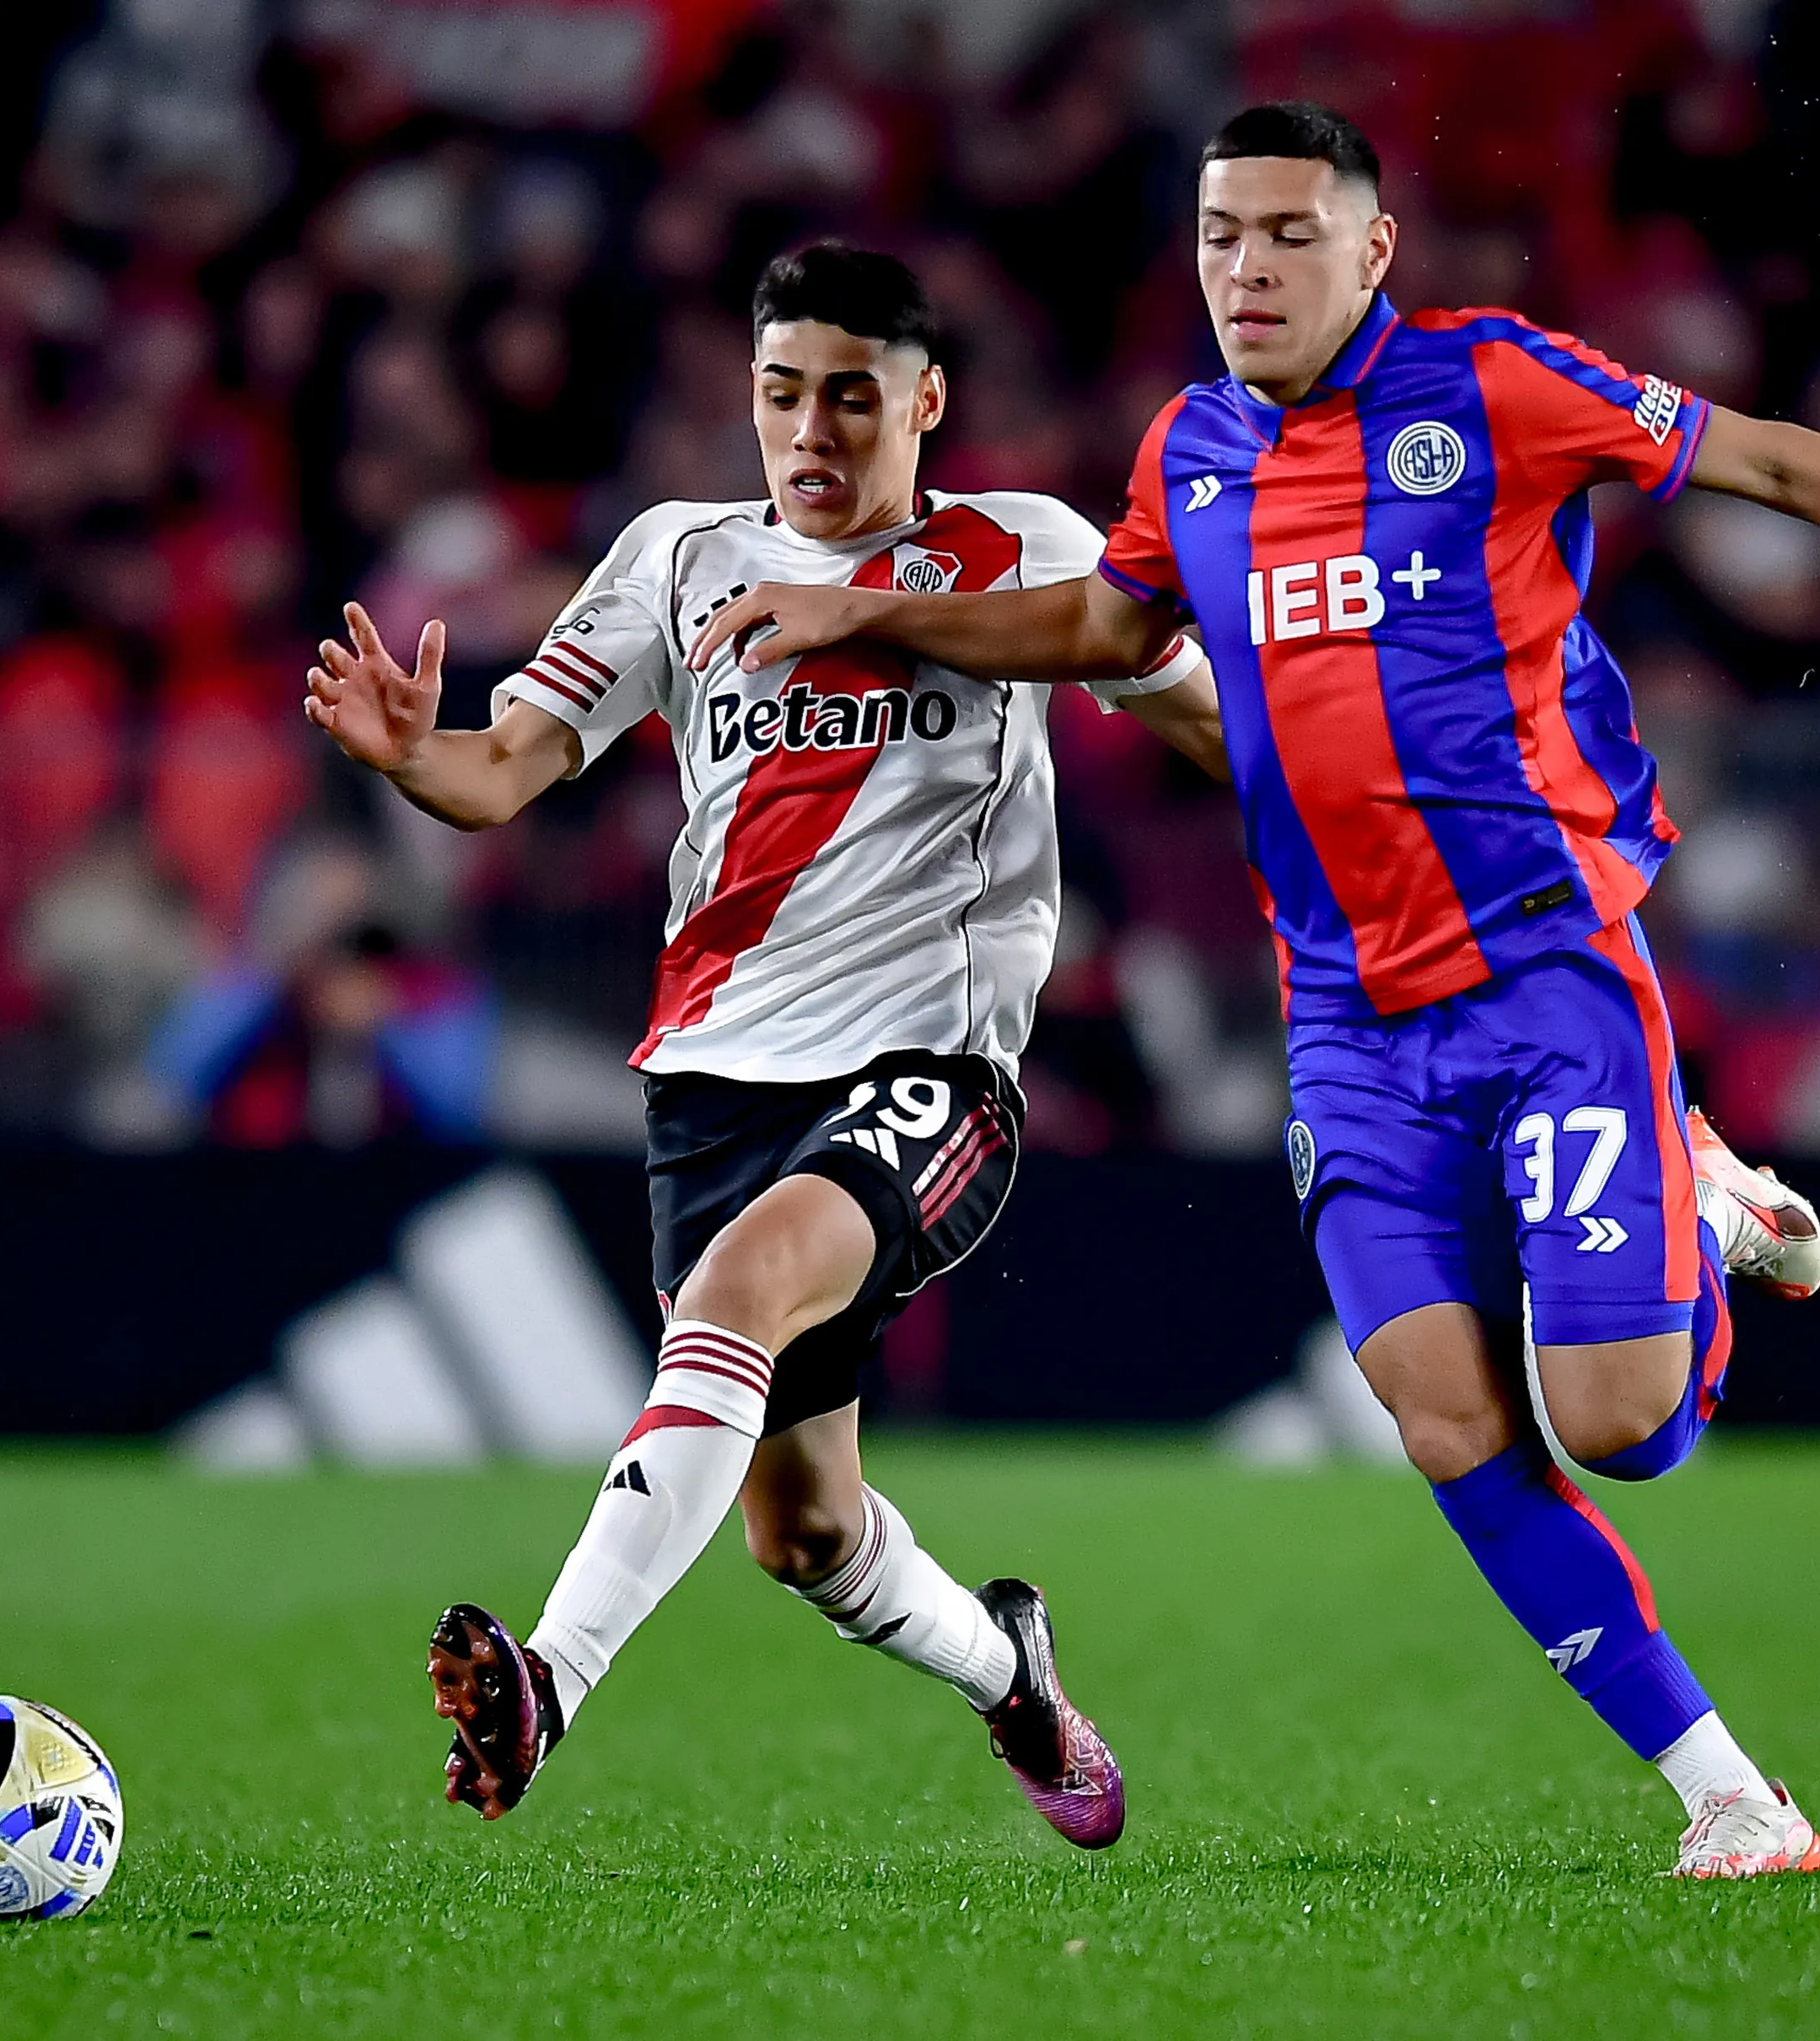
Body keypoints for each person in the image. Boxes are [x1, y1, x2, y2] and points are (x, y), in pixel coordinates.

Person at [692, 103, 1820, 1879]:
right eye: (1220, 236)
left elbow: (1765, 463)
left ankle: (1696, 1200)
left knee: (1617, 1429)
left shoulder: (1492, 386)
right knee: (1446, 1419)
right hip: (1346, 1026)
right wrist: (875, 615)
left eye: (1287, 235)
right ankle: (1731, 1797)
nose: (1245, 271)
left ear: (1371, 249)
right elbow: (1105, 630)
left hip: (1545, 977)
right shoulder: (1190, 450)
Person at [303, 244, 1225, 1846]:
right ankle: (1009, 1675)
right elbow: (505, 768)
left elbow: (1216, 726)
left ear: (926, 402)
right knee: (802, 1533)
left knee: (734, 1298)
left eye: (852, 396)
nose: (812, 430)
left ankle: (550, 1681)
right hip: (716, 1083)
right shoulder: (677, 556)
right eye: (783, 392)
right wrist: (410, 757)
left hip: (930, 1068)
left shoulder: (1026, 549)